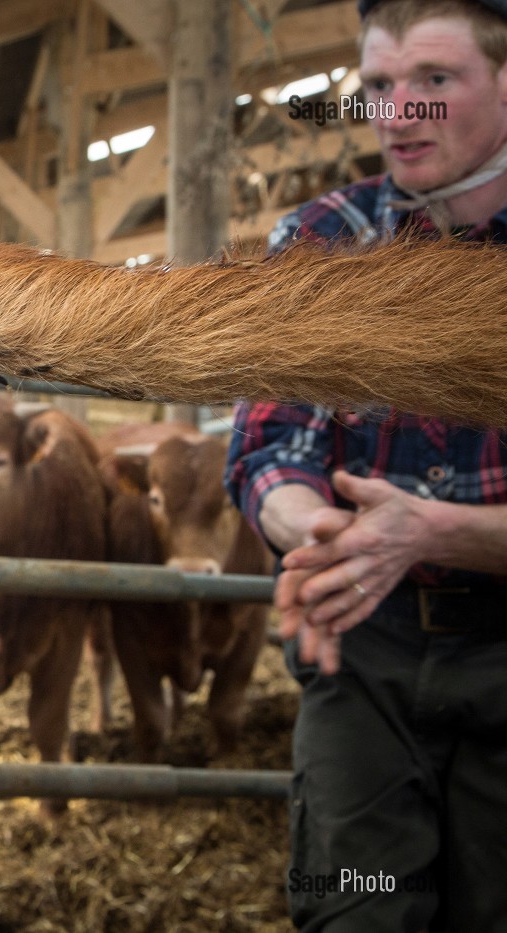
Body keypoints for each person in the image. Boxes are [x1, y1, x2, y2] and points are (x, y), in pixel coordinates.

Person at [223, 1, 507, 929]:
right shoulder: (324, 237)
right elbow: (272, 443)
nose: (398, 110)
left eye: (435, 79)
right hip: (362, 643)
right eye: (379, 84)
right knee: (358, 904)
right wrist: (319, 532)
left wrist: (428, 532)